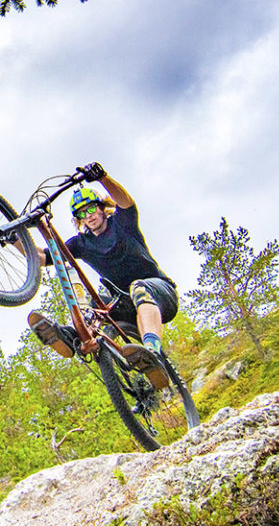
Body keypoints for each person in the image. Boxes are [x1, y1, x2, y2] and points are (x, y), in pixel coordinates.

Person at [28, 162, 178, 389]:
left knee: (138, 287)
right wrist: (15, 239)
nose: (88, 216)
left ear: (101, 208)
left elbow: (126, 202)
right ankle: (69, 338)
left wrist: (103, 178)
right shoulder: (81, 243)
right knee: (94, 310)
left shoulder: (122, 224)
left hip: (160, 295)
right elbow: (42, 258)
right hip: (125, 309)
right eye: (81, 214)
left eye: (90, 209)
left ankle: (152, 352)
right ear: (79, 219)